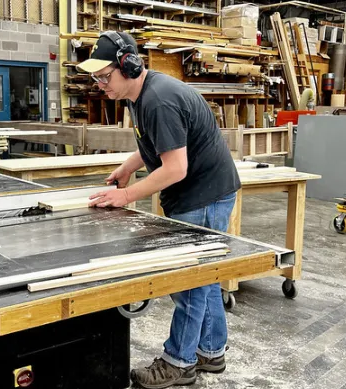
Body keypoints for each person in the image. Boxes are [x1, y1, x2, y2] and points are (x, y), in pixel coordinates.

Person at [77, 30, 241, 388]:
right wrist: (128, 166)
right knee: (205, 275)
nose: (101, 85)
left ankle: (179, 362)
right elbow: (154, 142)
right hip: (198, 193)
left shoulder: (159, 100)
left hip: (204, 196)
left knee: (190, 281)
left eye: (105, 76)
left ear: (130, 66)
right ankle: (211, 350)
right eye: (96, 78)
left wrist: (127, 195)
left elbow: (175, 168)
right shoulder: (140, 95)